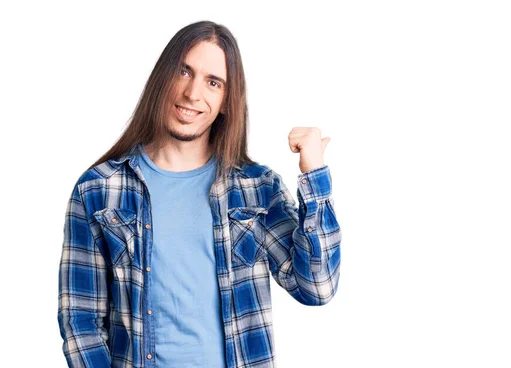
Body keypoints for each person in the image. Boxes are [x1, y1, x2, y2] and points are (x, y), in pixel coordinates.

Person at [57, 20, 341, 368]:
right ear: (162, 79)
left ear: (225, 101)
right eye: (183, 71)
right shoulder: (99, 190)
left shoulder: (256, 190)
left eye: (213, 82)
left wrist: (314, 177)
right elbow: (80, 321)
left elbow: (317, 287)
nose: (193, 93)